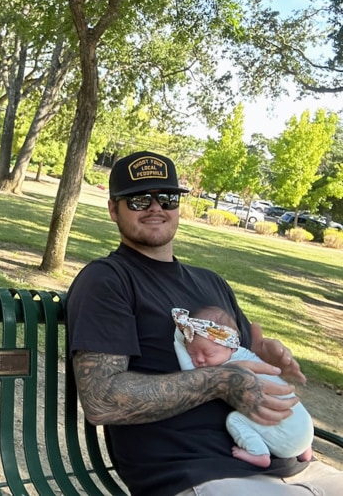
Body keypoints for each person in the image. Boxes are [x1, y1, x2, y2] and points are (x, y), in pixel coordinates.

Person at [66, 150, 343, 496]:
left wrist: (264, 352)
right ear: (113, 209)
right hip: (198, 471)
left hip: (293, 465)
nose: (155, 208)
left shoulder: (211, 282)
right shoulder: (107, 280)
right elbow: (101, 400)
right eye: (138, 200)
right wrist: (219, 382)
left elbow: (241, 354)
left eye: (166, 198)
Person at [172, 306, 314, 468]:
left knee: (234, 419)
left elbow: (189, 373)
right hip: (305, 427)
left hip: (284, 439)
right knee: (288, 403)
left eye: (208, 354)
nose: (199, 360)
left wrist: (178, 337)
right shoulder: (246, 354)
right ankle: (304, 450)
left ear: (231, 347)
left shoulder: (230, 368)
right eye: (192, 354)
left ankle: (258, 452)